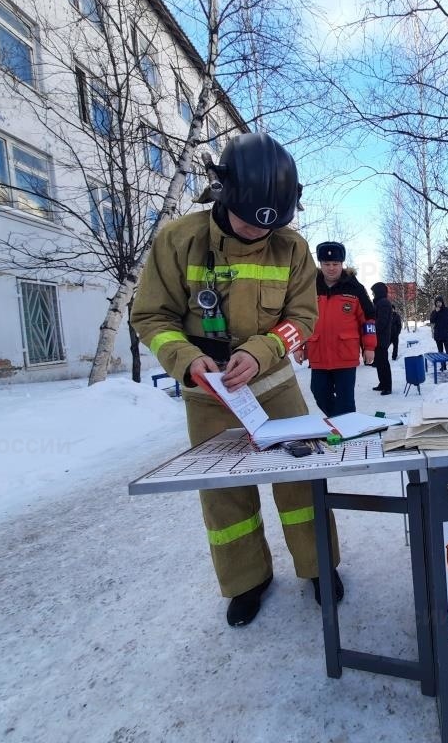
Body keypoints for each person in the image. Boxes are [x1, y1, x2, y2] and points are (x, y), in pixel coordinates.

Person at [131, 132, 344, 628]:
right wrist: (186, 360)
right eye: (248, 221)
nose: (257, 233)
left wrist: (266, 348)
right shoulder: (178, 240)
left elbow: (302, 317)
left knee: (301, 482)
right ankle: (246, 581)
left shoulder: (292, 249)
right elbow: (150, 317)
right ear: (222, 195)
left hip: (275, 387)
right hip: (207, 395)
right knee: (225, 494)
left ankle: (319, 568)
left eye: (269, 225)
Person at [293, 241, 376, 416]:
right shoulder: (309, 288)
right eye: (327, 264)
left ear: (342, 264)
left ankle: (347, 432)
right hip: (318, 354)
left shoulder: (355, 288)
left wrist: (369, 347)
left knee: (346, 400)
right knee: (318, 392)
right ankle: (340, 422)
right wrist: (298, 346)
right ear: (320, 264)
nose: (331, 268)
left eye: (335, 264)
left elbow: (368, 320)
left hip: (345, 354)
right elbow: (299, 319)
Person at [369, 282, 393, 395]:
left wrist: (372, 330)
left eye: (373, 291)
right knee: (379, 362)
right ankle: (382, 383)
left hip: (381, 338)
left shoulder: (383, 303)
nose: (372, 294)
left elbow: (381, 322)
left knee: (383, 363)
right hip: (378, 337)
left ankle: (387, 386)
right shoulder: (380, 302)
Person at [428, 296, 448, 369]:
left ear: (442, 302)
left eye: (439, 302)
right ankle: (443, 366)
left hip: (446, 334)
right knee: (440, 352)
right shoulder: (434, 312)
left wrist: (447, 327)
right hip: (437, 334)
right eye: (437, 302)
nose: (438, 304)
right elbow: (432, 321)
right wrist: (436, 313)